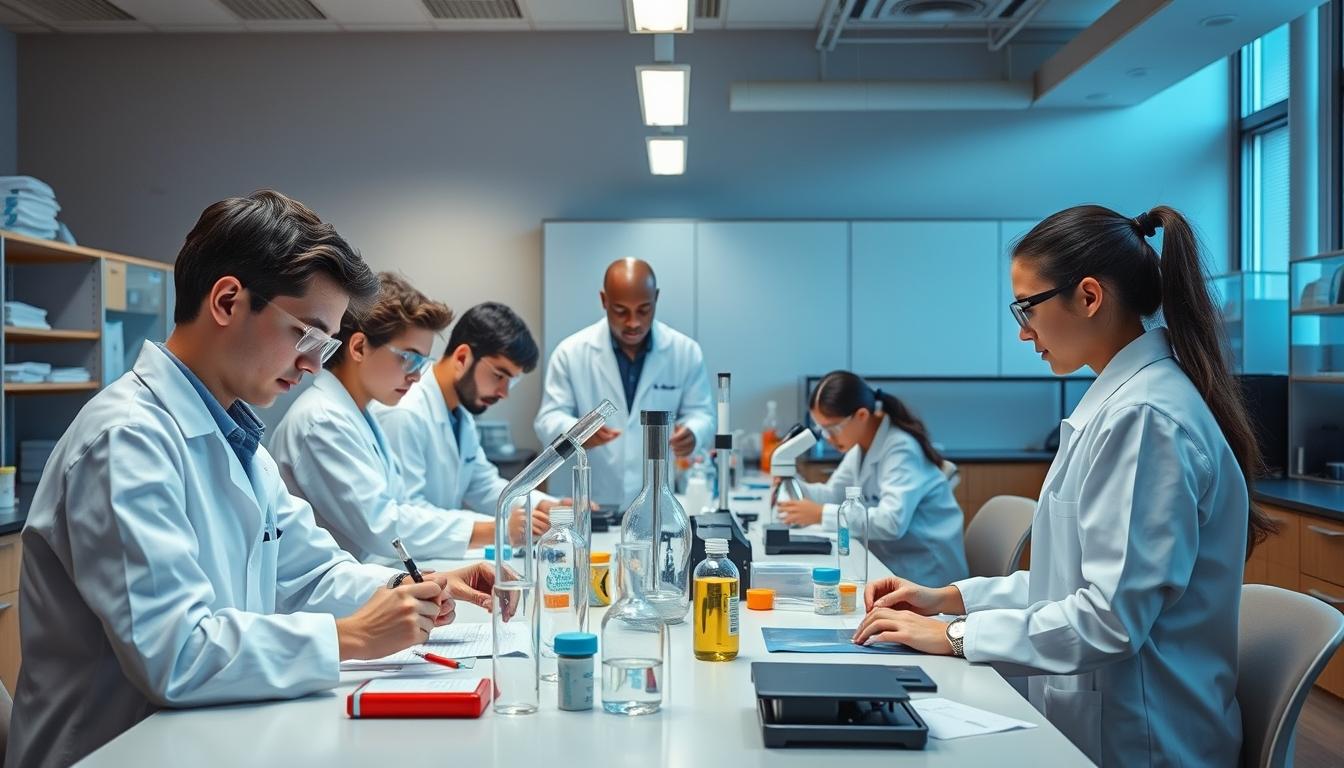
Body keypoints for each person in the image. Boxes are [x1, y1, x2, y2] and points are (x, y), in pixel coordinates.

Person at [7, 191, 499, 768]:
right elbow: (178, 656)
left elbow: (310, 571)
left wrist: (406, 590)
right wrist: (354, 637)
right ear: (227, 301)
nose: (317, 364)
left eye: (327, 343)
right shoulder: (126, 440)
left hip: (209, 735)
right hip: (113, 750)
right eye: (306, 335)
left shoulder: (236, 436)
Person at [853, 205, 1278, 766]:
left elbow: (1108, 620)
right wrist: (949, 599)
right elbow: (1072, 580)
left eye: (1026, 308)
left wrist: (956, 635)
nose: (1023, 331)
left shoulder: (1146, 418)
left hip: (1143, 742)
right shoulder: (1125, 403)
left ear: (1089, 297)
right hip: (1100, 718)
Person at [272, 276, 540, 562]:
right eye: (409, 358)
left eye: (422, 362)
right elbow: (383, 525)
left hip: (366, 581)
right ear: (359, 348)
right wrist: (493, 529)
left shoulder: (358, 416)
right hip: (330, 597)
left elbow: (402, 509)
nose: (416, 375)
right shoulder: (322, 421)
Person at [535, 258, 714, 508]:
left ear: (656, 298)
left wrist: (694, 432)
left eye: (643, 310)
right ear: (604, 300)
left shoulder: (685, 351)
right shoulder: (570, 352)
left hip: (657, 505)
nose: (633, 323)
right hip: (590, 503)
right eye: (621, 311)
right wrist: (578, 432)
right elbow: (548, 419)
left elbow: (702, 413)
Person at [376, 302, 561, 538]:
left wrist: (541, 504)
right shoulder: (404, 411)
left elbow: (481, 485)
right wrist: (498, 528)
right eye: (499, 376)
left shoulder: (459, 412)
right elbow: (408, 512)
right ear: (462, 357)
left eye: (512, 381)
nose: (504, 393)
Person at [776, 370, 967, 587]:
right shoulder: (861, 448)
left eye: (833, 428)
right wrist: (791, 484)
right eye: (822, 430)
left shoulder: (900, 449)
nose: (828, 438)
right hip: (891, 564)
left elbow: (891, 523)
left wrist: (820, 514)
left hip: (926, 573)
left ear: (861, 416)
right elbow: (835, 494)